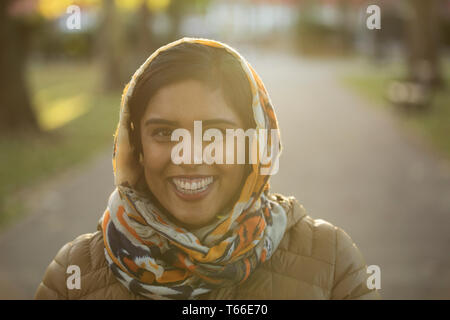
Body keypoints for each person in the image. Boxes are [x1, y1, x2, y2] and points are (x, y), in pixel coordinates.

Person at [35, 38, 380, 300]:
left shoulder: (330, 262)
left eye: (215, 133)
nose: (189, 156)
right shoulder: (75, 274)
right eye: (164, 133)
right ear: (134, 145)